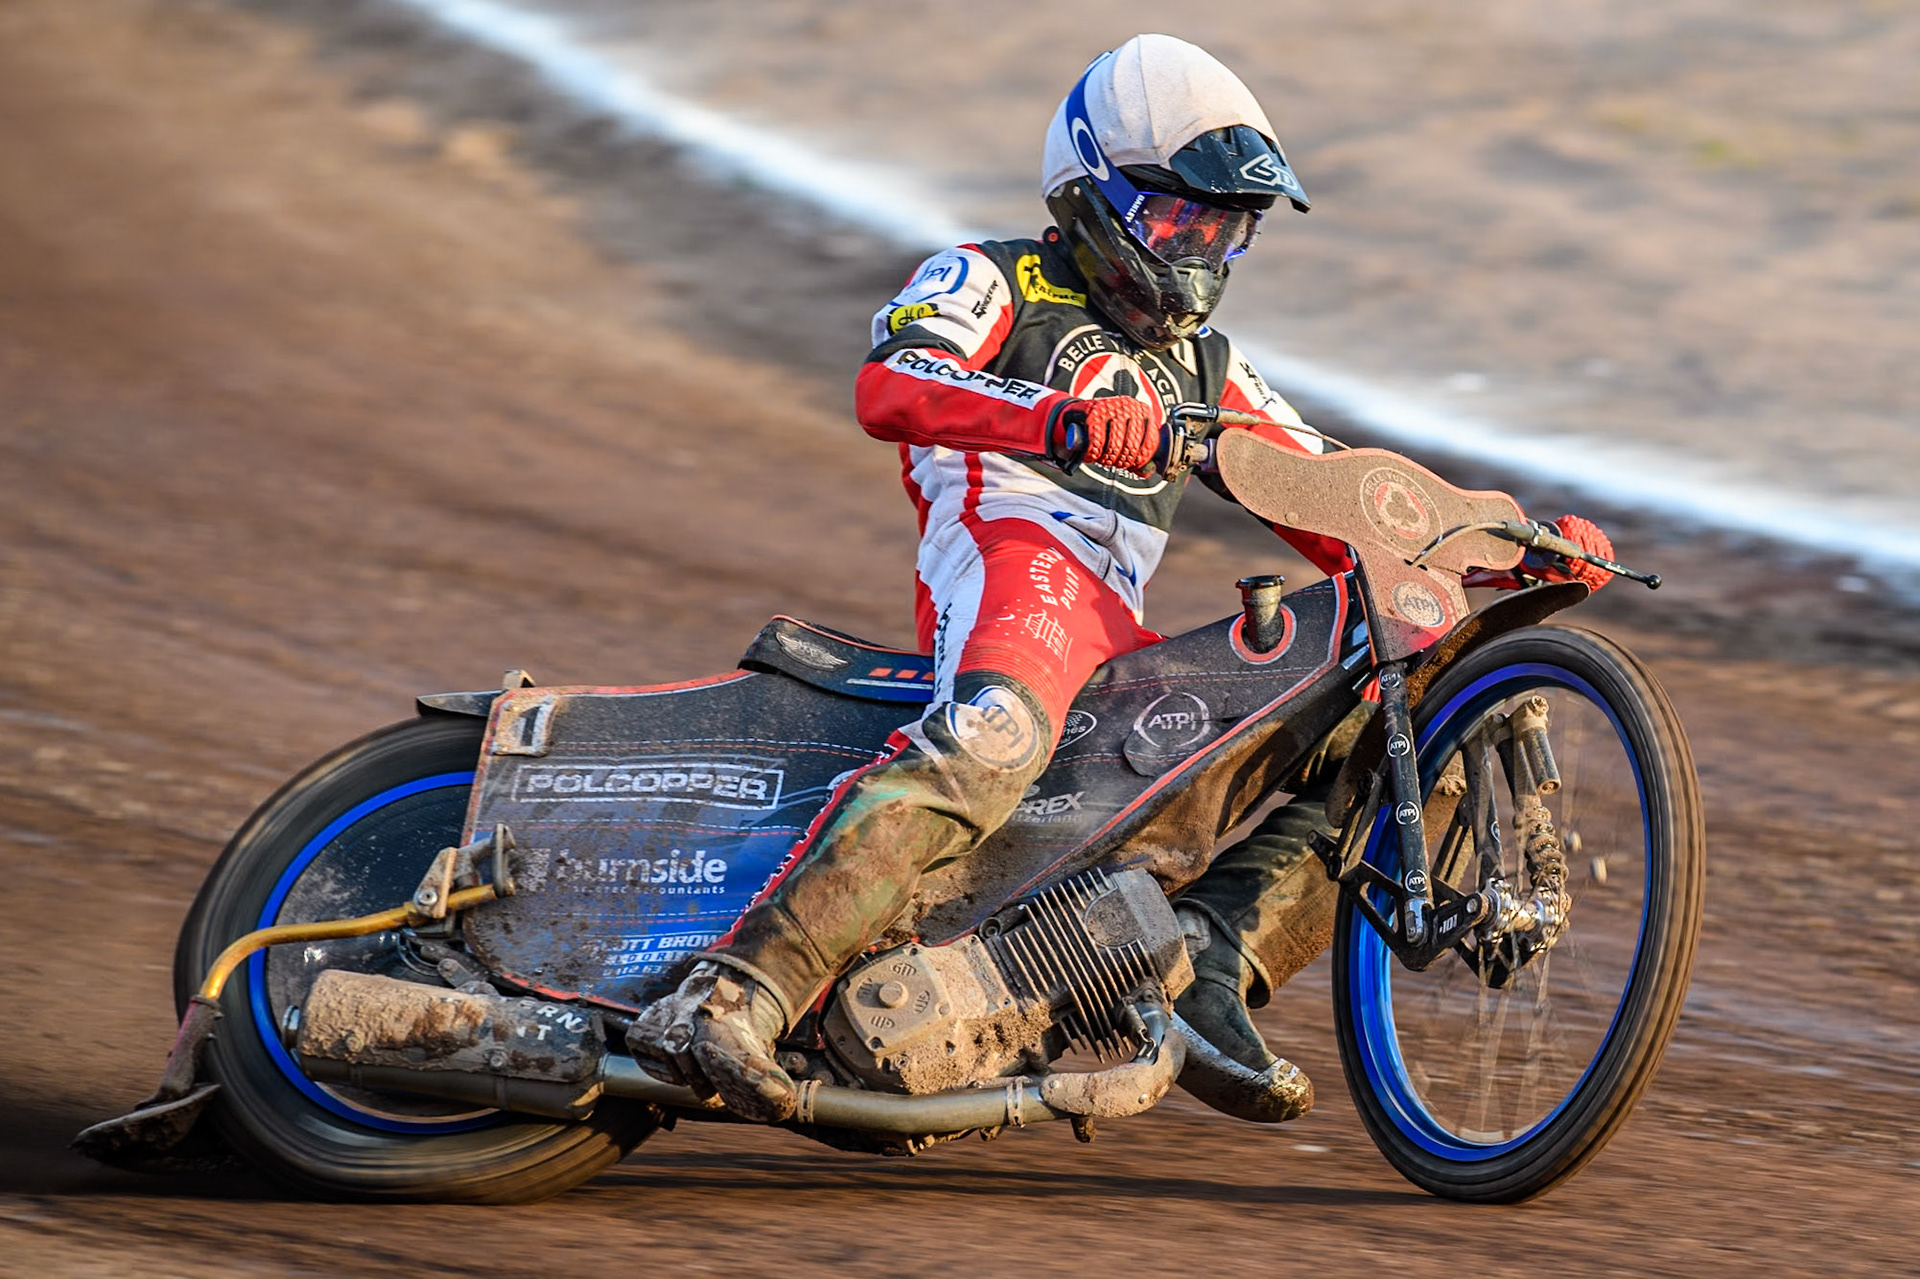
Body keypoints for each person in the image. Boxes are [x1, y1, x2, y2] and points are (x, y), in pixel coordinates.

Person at [631, 34, 1615, 1124]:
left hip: (1121, 645)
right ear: (1093, 193)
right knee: (997, 734)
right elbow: (890, 384)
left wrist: (1501, 540)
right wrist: (1057, 418)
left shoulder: (1211, 366)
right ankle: (737, 991)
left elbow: (1336, 498)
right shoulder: (993, 275)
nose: (1199, 250)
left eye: (1224, 229)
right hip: (1016, 566)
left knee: (1409, 705)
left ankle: (1214, 955)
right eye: (1177, 216)